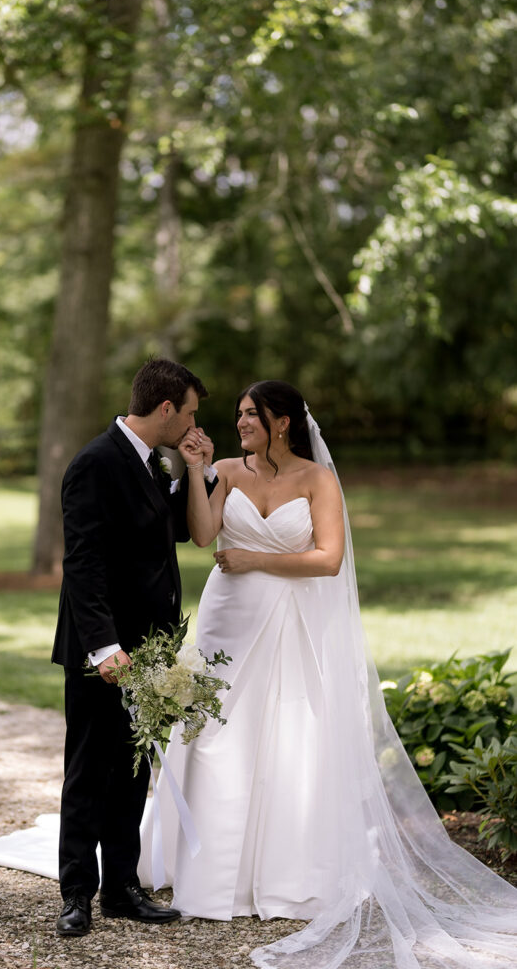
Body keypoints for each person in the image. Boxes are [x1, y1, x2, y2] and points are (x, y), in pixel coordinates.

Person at [139, 380, 517, 968]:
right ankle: (206, 873)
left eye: (250, 415)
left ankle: (284, 875)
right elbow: (206, 536)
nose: (239, 422)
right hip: (226, 624)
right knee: (213, 738)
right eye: (237, 414)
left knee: (288, 739)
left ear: (282, 422)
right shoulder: (229, 472)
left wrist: (257, 559)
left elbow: (329, 558)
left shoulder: (318, 481)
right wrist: (197, 471)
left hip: (290, 624)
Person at [51, 357, 217, 938]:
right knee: (89, 772)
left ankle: (122, 887)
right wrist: (103, 648)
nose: (195, 423)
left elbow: (175, 528)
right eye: (191, 413)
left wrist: (199, 468)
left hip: (150, 652)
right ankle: (76, 894)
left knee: (131, 769)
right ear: (166, 408)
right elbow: (84, 565)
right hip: (105, 656)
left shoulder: (154, 462)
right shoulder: (95, 463)